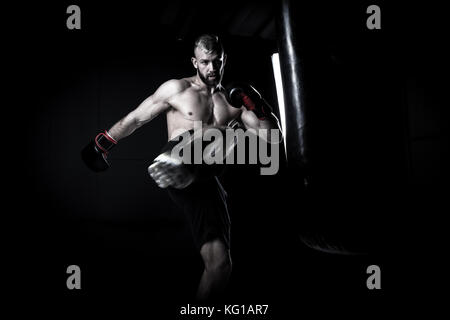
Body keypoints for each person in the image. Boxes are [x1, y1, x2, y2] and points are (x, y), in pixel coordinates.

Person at [82, 34, 280, 301]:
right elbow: (137, 118)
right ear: (194, 62)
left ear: (225, 60)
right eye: (206, 62)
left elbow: (271, 140)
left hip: (207, 181)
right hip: (176, 163)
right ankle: (178, 164)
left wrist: (256, 104)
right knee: (208, 135)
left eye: (217, 62)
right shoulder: (177, 89)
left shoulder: (234, 100)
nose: (212, 69)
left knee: (220, 266)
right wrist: (102, 143)